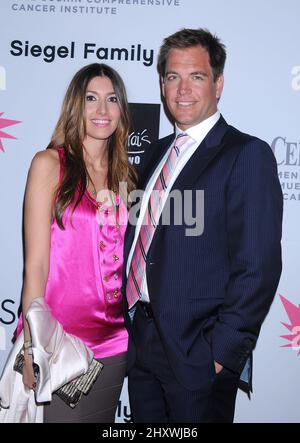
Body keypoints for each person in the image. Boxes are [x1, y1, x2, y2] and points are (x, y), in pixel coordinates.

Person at [122, 28, 283, 423]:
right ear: (161, 84)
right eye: (173, 77)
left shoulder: (246, 154)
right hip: (141, 344)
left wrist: (220, 354)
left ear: (219, 83)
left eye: (196, 76)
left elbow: (258, 268)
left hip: (197, 354)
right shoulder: (156, 153)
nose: (182, 89)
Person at [15, 63, 137, 422]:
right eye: (91, 99)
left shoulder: (126, 175)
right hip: (58, 343)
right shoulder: (49, 164)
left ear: (121, 110)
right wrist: (30, 347)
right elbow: (34, 264)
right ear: (75, 106)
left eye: (111, 99)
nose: (102, 110)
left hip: (115, 343)